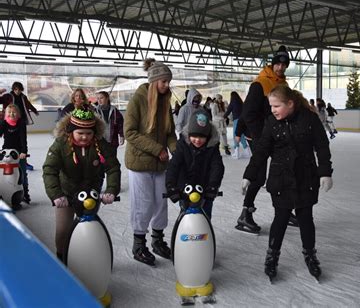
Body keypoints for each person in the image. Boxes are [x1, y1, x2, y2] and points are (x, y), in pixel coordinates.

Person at [241, 85, 333, 281]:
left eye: (276, 105)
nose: (273, 110)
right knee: (281, 218)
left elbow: (322, 146)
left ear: (290, 104)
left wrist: (325, 172)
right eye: (271, 106)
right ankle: (272, 257)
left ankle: (310, 255)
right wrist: (249, 174)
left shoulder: (309, 119)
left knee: (305, 218)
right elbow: (261, 151)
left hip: (306, 177)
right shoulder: (271, 123)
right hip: (281, 178)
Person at [42, 107, 121, 262]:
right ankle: (62, 258)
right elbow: (49, 170)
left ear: (94, 132)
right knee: (63, 230)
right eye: (80, 133)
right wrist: (57, 195)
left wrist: (111, 190)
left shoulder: (101, 144)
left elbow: (113, 168)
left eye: (88, 133)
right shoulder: (61, 144)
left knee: (90, 228)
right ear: (71, 131)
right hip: (67, 194)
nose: (84, 137)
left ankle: (91, 259)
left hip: (90, 196)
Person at [239, 45, 298, 234]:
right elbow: (248, 113)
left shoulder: (283, 86)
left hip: (276, 135)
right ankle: (245, 214)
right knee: (258, 175)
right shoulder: (260, 84)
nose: (280, 68)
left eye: (284, 65)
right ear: (272, 64)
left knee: (285, 169)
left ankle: (284, 210)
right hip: (258, 135)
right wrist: (261, 137)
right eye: (278, 64)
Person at [124, 58, 177, 266]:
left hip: (160, 165)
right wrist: (157, 149)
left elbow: (170, 133)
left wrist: (177, 151)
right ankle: (139, 244)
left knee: (160, 203)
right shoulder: (138, 99)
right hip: (140, 164)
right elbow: (129, 132)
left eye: (168, 81)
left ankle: (157, 240)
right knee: (142, 205)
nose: (166, 85)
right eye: (163, 81)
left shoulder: (165, 101)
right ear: (154, 81)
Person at [166, 109, 225, 220]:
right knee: (185, 216)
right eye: (194, 136)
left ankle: (205, 231)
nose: (197, 140)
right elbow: (174, 165)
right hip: (185, 190)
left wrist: (213, 186)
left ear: (208, 137)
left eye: (202, 137)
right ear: (188, 135)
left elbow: (217, 167)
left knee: (205, 216)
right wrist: (171, 186)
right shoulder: (182, 145)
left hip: (205, 190)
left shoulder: (212, 148)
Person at [0, 82, 39, 172]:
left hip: (20, 120)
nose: (17, 91)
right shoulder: (8, 96)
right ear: (13, 89)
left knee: (21, 139)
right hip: (8, 120)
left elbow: (28, 104)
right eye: (15, 89)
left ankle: (23, 160)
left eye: (19, 89)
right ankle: (7, 160)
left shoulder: (23, 97)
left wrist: (34, 110)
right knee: (9, 139)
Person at [0, 104, 28, 210]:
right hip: (6, 151)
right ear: (6, 114)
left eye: (14, 112)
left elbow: (23, 138)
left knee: (22, 173)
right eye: (9, 112)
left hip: (19, 152)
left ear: (18, 114)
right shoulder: (4, 123)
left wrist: (24, 151)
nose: (12, 114)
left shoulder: (21, 123)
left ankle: (25, 193)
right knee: (2, 173)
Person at [224, 91, 250, 159]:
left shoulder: (233, 102)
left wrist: (224, 116)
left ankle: (236, 152)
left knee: (236, 135)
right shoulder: (241, 102)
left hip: (237, 120)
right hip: (243, 120)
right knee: (241, 135)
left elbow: (228, 111)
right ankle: (246, 151)